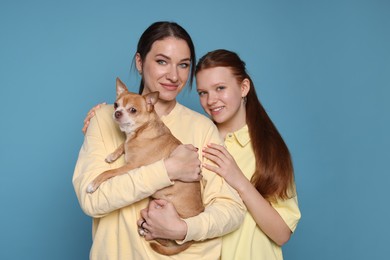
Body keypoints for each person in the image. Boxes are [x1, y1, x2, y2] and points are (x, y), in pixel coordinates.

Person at [73, 22, 245, 260]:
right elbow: (92, 200)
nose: (174, 76)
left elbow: (231, 210)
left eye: (183, 65)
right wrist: (166, 170)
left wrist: (183, 229)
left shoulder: (202, 127)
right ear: (140, 62)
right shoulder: (105, 119)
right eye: (162, 61)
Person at [137, 49, 301, 259]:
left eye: (220, 88)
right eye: (203, 93)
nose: (211, 100)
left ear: (243, 87)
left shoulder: (268, 149)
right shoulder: (191, 137)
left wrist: (239, 180)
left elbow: (282, 234)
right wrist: (104, 119)